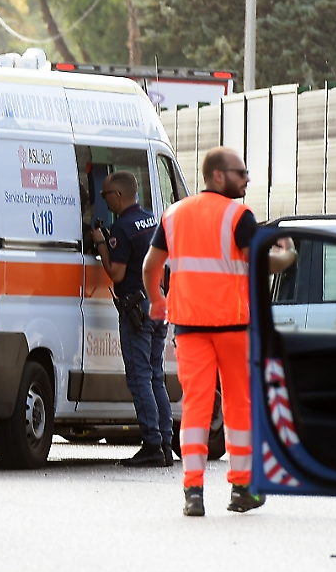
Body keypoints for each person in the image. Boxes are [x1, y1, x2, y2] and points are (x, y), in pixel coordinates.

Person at [142, 147, 297, 516]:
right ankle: (242, 488)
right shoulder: (238, 215)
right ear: (217, 176)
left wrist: (157, 300)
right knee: (237, 405)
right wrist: (288, 256)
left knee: (195, 407)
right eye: (241, 173)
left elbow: (151, 265)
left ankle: (193, 492)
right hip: (233, 327)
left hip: (190, 327)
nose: (246, 179)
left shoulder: (174, 214)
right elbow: (261, 261)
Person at [89, 171, 174, 467]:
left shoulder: (122, 228)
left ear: (119, 196)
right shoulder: (152, 220)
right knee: (155, 375)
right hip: (159, 302)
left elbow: (117, 274)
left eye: (106, 196)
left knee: (140, 378)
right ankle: (165, 443)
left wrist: (100, 244)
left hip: (136, 307)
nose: (105, 201)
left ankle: (152, 444)